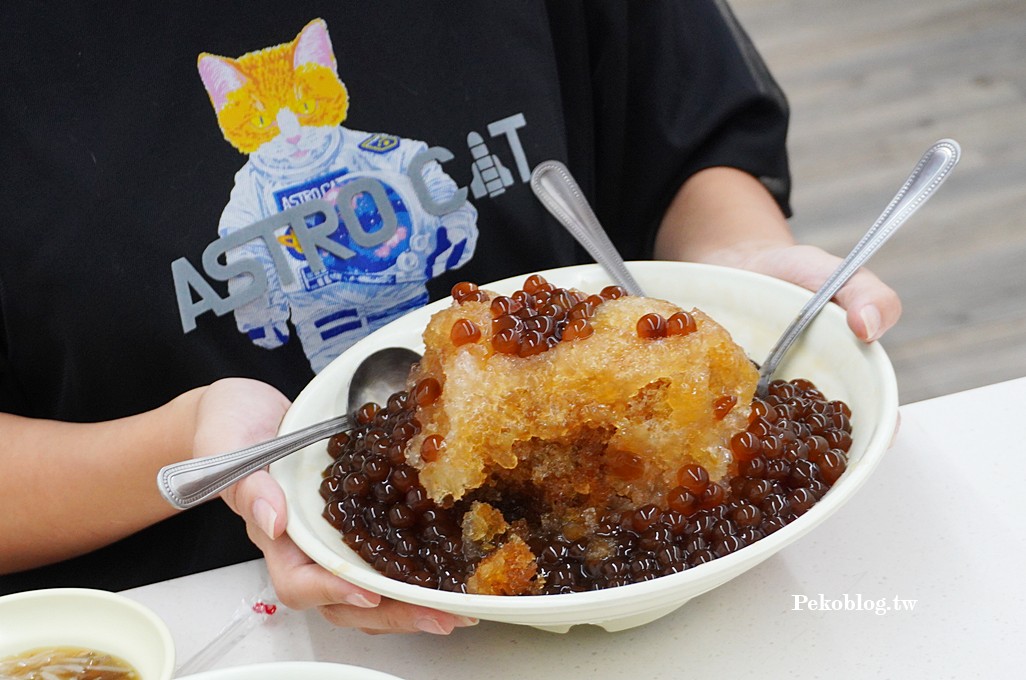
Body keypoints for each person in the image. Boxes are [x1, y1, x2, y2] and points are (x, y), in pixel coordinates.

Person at [0, 1, 899, 634]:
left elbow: (689, 141)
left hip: (715, 621)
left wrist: (731, 264)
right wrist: (186, 443)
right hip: (198, 625)